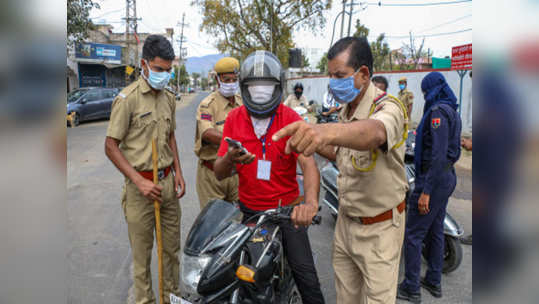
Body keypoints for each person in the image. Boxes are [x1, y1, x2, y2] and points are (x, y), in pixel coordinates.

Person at [272, 37, 409, 304]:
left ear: (364, 73)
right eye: (331, 76)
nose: (333, 82)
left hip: (379, 229)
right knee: (346, 298)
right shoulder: (347, 109)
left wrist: (324, 131)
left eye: (340, 75)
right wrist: (310, 141)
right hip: (346, 224)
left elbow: (374, 134)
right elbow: (342, 155)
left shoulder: (388, 107)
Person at [213, 50, 325, 304]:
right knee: (237, 277)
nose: (260, 92)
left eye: (266, 86)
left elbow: (309, 166)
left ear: (278, 87)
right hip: (249, 213)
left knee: (307, 278)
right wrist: (230, 158)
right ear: (244, 87)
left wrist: (310, 203)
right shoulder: (233, 118)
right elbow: (219, 173)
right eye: (254, 86)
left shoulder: (290, 118)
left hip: (286, 212)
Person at [105, 35, 185, 304]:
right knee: (142, 257)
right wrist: (138, 181)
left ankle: (170, 298)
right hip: (140, 189)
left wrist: (179, 173)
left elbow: (170, 136)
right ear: (144, 64)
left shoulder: (169, 99)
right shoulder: (127, 100)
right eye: (159, 69)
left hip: (167, 185)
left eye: (168, 70)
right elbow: (110, 146)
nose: (164, 75)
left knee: (172, 251)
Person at [397, 72, 462, 303]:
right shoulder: (452, 109)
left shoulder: (437, 113)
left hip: (433, 179)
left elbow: (437, 155)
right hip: (445, 177)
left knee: (413, 234)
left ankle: (411, 287)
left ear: (432, 90)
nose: (425, 96)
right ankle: (434, 280)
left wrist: (425, 191)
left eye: (426, 91)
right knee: (435, 230)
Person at [194, 57, 242, 209]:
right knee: (214, 224)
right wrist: (237, 143)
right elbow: (207, 132)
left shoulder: (242, 103)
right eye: (227, 80)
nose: (231, 84)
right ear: (217, 79)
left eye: (234, 80)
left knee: (241, 222)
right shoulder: (207, 105)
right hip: (212, 174)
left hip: (237, 173)